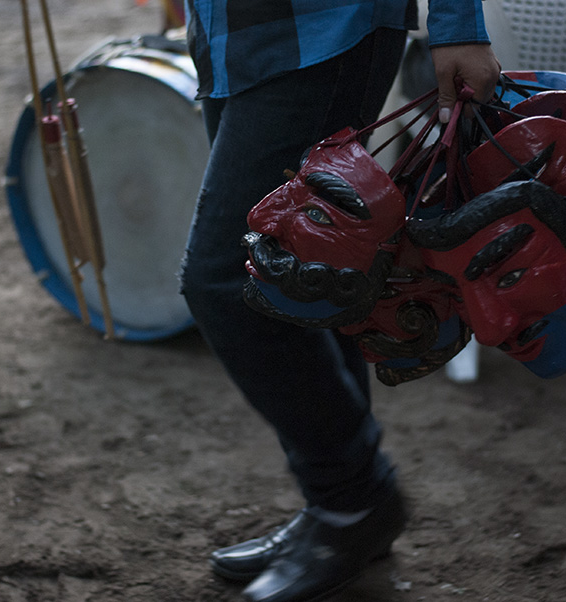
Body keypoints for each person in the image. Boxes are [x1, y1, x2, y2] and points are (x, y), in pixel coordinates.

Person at [178, 1, 500, 601]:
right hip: (228, 31)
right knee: (305, 275)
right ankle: (340, 507)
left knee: (226, 281)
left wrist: (458, 27)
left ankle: (353, 501)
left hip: (324, 26)